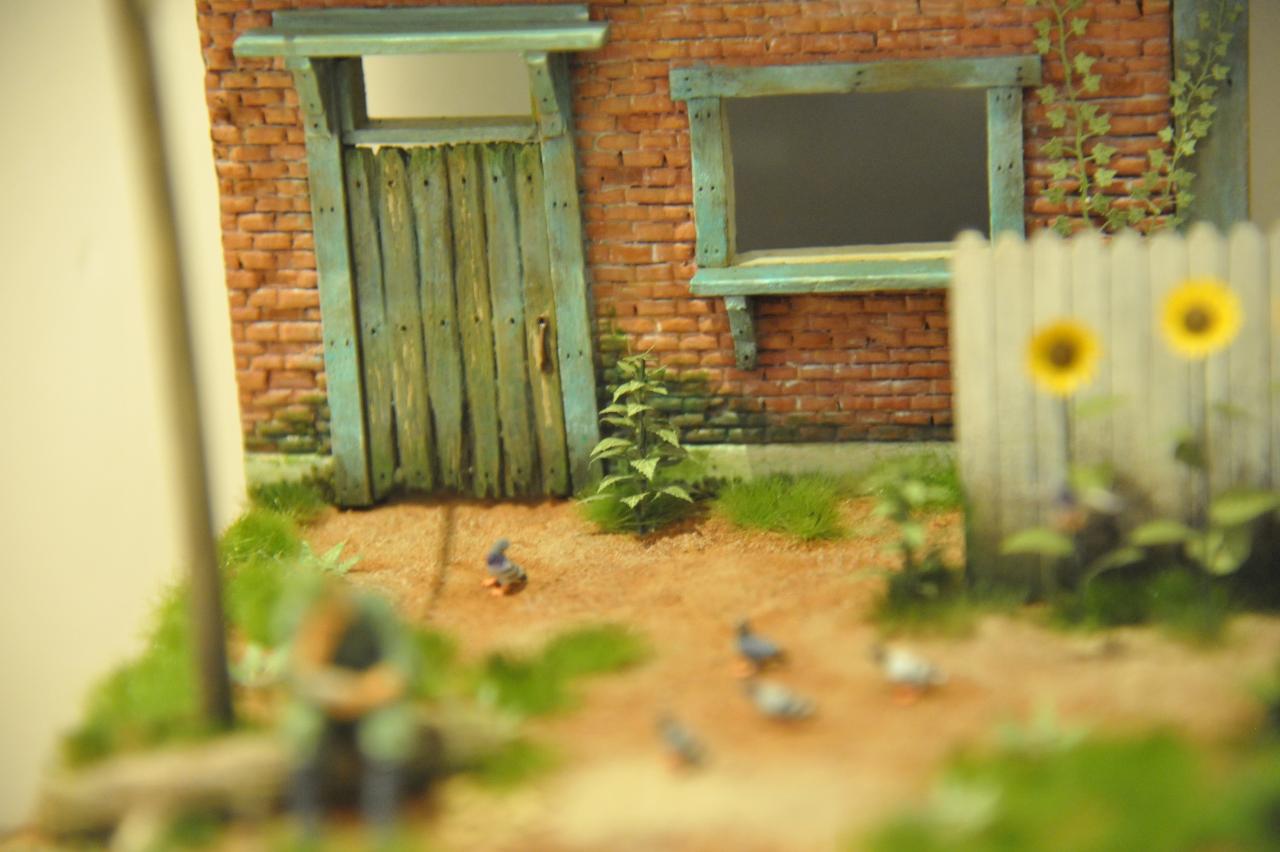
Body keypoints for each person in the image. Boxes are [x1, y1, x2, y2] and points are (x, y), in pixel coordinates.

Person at [280, 578, 417, 841]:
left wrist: (361, 695)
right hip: (325, 703)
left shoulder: (374, 614)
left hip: (370, 698)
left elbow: (399, 669)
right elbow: (299, 672)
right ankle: (306, 822)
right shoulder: (298, 615)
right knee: (303, 729)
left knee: (388, 734)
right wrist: (318, 641)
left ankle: (382, 824)